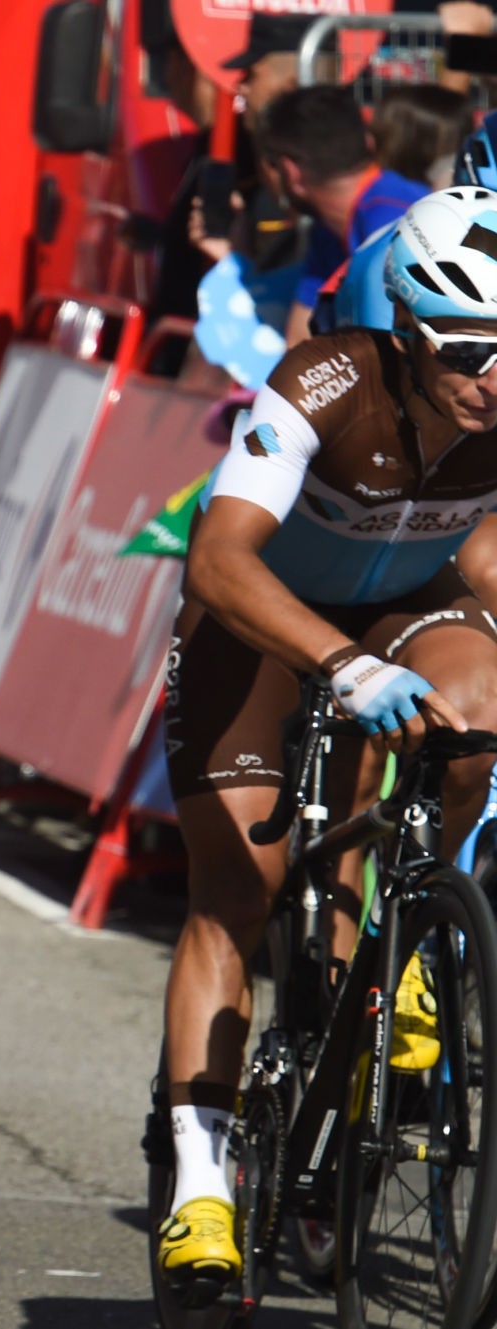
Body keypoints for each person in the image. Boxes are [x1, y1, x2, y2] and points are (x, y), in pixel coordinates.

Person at [154, 185, 497, 1297]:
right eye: (468, 351)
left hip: (403, 605)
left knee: (479, 713)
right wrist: (344, 666)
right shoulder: (325, 382)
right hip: (258, 615)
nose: (492, 376)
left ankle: (414, 940)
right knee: (238, 893)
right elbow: (218, 558)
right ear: (409, 332)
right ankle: (200, 1185)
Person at [259, 84, 426, 345]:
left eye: (272, 164)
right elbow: (300, 340)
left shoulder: (394, 223)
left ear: (290, 171)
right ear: (368, 142)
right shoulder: (328, 230)